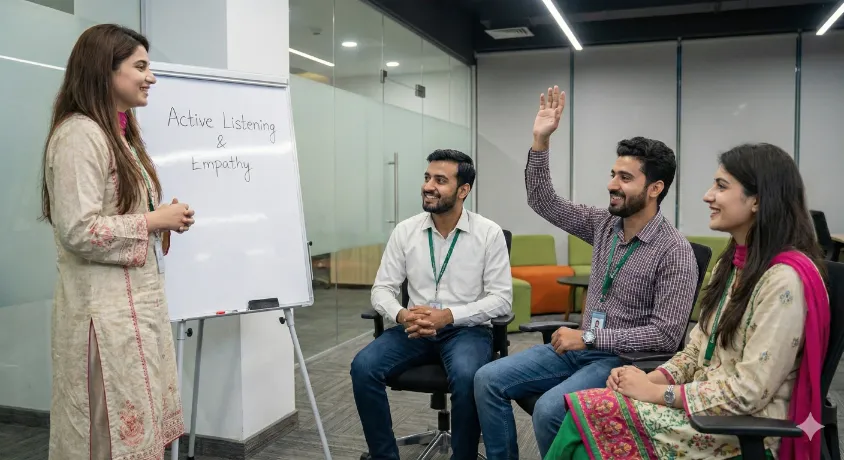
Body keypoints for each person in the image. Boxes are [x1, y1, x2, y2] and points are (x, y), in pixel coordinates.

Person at [545, 143, 830, 460]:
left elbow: (747, 394)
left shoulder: (783, 282)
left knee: (582, 426)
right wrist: (648, 379)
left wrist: (658, 393)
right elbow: (697, 349)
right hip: (701, 409)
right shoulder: (732, 264)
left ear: (758, 202)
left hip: (743, 430)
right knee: (586, 417)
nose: (708, 195)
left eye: (721, 186)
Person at [474, 86, 699, 459]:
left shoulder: (674, 251)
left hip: (624, 361)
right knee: (487, 379)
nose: (612, 184)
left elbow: (666, 335)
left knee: (549, 409)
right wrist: (540, 142)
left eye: (625, 178)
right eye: (613, 174)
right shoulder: (603, 225)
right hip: (581, 346)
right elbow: (543, 200)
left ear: (655, 188)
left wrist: (591, 338)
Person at [41, 24, 195, 460]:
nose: (151, 77)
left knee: (137, 432)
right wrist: (150, 220)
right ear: (104, 71)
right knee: (104, 435)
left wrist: (160, 223)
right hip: (102, 320)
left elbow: (118, 214)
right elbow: (78, 230)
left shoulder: (120, 134)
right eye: (141, 66)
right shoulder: (79, 135)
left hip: (134, 312)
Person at [350, 149, 513, 460]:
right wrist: (401, 314)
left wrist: (449, 316)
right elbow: (382, 288)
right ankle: (385, 456)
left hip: (466, 329)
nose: (428, 186)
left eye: (440, 180)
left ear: (463, 190)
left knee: (468, 378)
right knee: (363, 367)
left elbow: (502, 298)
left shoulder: (488, 234)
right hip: (414, 327)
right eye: (427, 178)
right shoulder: (406, 231)